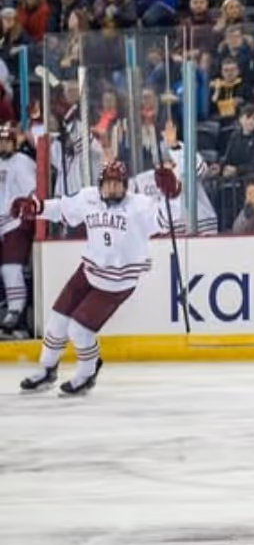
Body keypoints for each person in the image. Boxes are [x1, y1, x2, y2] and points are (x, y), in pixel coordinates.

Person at [14, 159, 177, 396]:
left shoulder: (140, 205)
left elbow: (165, 220)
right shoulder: (88, 197)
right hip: (89, 270)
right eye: (108, 184)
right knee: (57, 322)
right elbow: (62, 208)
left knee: (79, 330)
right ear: (100, 184)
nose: (112, 189)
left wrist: (172, 194)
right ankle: (47, 369)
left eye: (117, 184)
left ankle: (87, 374)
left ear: (126, 185)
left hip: (118, 281)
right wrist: (37, 207)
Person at [0, 123, 37, 336]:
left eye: (6, 141)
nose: (3, 145)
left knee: (11, 268)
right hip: (3, 225)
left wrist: (24, 216)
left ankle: (16, 312)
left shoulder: (22, 162)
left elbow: (32, 192)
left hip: (16, 223)